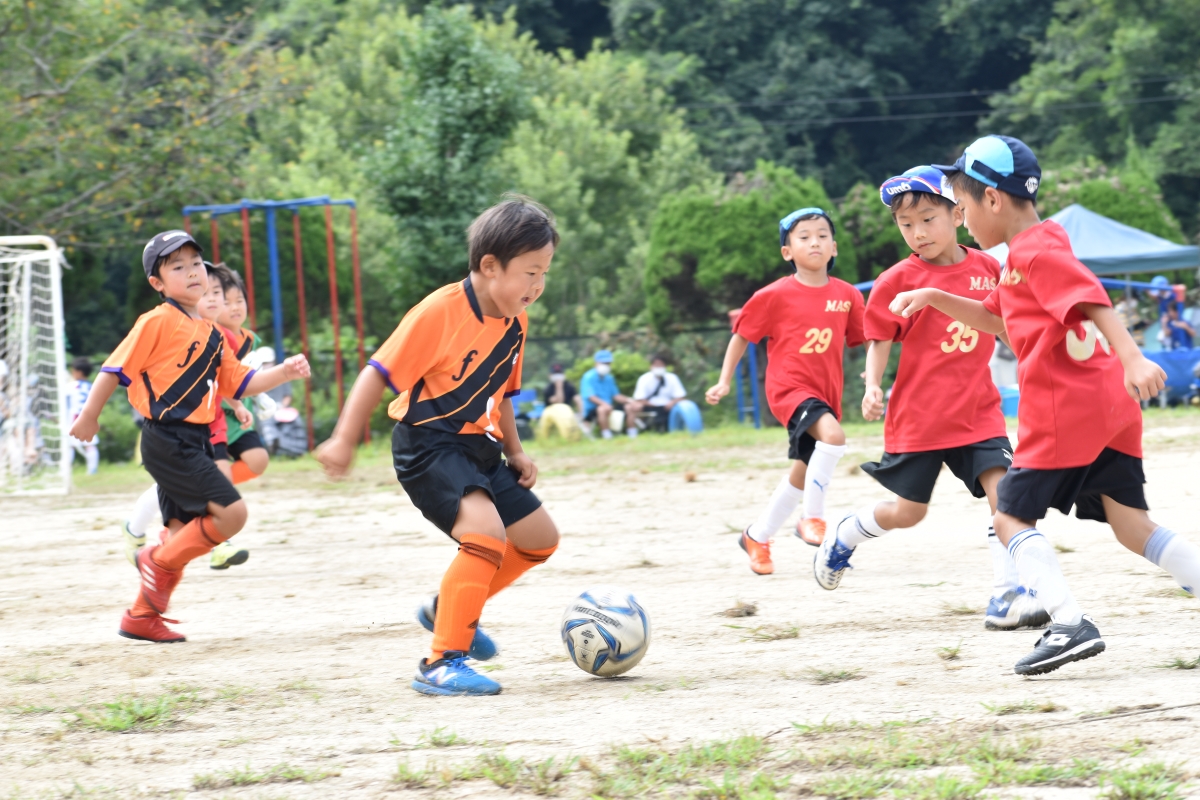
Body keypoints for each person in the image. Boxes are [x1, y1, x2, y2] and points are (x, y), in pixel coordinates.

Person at [890, 135, 1200, 675]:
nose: (962, 219)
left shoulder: (1036, 249)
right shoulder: (1026, 254)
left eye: (962, 206)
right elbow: (995, 319)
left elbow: (1092, 297)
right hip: (1108, 406)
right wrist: (934, 296)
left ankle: (1069, 624)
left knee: (1009, 516)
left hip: (1065, 407)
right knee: (1132, 526)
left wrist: (1133, 356)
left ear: (992, 200)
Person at [316, 196, 561, 696]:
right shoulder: (439, 312)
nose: (537, 287)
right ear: (490, 266)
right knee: (486, 534)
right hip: (428, 445)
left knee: (539, 539)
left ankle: (448, 608)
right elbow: (376, 373)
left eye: (544, 274)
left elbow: (502, 393)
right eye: (530, 273)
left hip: (478, 446)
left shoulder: (516, 320)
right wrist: (343, 439)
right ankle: (441, 661)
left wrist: (515, 450)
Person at [811, 166, 1048, 631]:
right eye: (906, 224)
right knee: (908, 513)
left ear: (958, 214)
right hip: (919, 417)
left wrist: (1032, 362)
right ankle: (845, 534)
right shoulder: (897, 279)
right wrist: (873, 385)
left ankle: (1007, 595)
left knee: (1006, 495)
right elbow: (880, 337)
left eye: (927, 219)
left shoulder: (989, 269)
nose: (918, 233)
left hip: (978, 412)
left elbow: (1004, 324)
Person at [71, 230, 309, 643]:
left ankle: (141, 616)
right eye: (177, 267)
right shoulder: (157, 321)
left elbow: (241, 383)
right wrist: (89, 415)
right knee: (232, 516)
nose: (192, 272)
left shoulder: (213, 333)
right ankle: (153, 560)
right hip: (168, 438)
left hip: (194, 439)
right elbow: (113, 369)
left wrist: (284, 372)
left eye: (196, 263)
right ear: (158, 283)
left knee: (182, 535)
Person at [706, 207, 865, 573]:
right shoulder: (773, 295)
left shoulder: (848, 296)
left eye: (822, 236)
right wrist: (724, 380)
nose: (815, 242)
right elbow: (741, 336)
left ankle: (757, 536)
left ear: (834, 247)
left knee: (803, 470)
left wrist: (871, 380)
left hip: (826, 394)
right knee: (834, 437)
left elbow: (867, 339)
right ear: (787, 251)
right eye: (804, 237)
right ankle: (812, 518)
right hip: (789, 389)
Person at [120, 267, 255, 571]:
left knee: (207, 489)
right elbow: (123, 371)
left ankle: (166, 555)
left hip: (209, 425)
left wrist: (240, 404)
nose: (217, 301)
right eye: (209, 294)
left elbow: (229, 381)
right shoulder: (167, 325)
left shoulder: (223, 337)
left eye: (220, 295)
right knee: (214, 488)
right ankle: (212, 543)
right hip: (174, 432)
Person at [580, 350, 639, 439]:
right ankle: (607, 436)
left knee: (630, 407)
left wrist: (630, 400)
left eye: (608, 363)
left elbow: (616, 396)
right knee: (602, 409)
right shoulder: (588, 377)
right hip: (593, 409)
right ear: (596, 363)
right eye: (603, 363)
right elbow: (591, 397)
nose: (606, 365)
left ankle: (632, 433)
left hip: (609, 406)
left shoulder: (609, 378)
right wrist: (605, 404)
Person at [632, 354, 687, 431]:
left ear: (665, 366)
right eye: (656, 365)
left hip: (668, 407)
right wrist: (654, 405)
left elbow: (681, 396)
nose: (659, 367)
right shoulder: (644, 378)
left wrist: (672, 403)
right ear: (651, 366)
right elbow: (639, 398)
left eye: (661, 365)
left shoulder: (672, 378)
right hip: (650, 406)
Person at [66, 356, 100, 475]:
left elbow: (65, 403)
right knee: (90, 444)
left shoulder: (70, 386)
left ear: (79, 372)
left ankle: (66, 471)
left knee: (69, 446)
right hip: (89, 418)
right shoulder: (92, 386)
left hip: (74, 419)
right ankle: (92, 470)